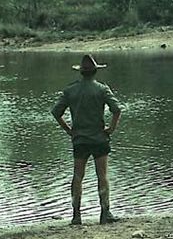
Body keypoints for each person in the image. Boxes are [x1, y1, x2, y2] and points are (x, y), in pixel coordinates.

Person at [51, 54, 124, 225]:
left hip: (80, 140)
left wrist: (69, 130)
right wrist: (111, 129)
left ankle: (76, 215)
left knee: (77, 177)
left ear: (81, 72)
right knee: (102, 176)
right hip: (99, 138)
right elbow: (117, 109)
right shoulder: (102, 89)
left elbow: (56, 112)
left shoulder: (70, 90)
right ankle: (105, 213)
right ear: (95, 72)